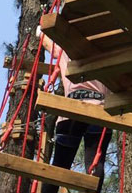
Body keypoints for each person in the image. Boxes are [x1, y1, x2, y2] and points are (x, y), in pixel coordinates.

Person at [37, 28, 111, 193]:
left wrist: (39, 30)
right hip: (98, 111)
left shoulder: (65, 49)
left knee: (59, 168)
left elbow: (46, 40)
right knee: (95, 163)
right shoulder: (105, 49)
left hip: (71, 111)